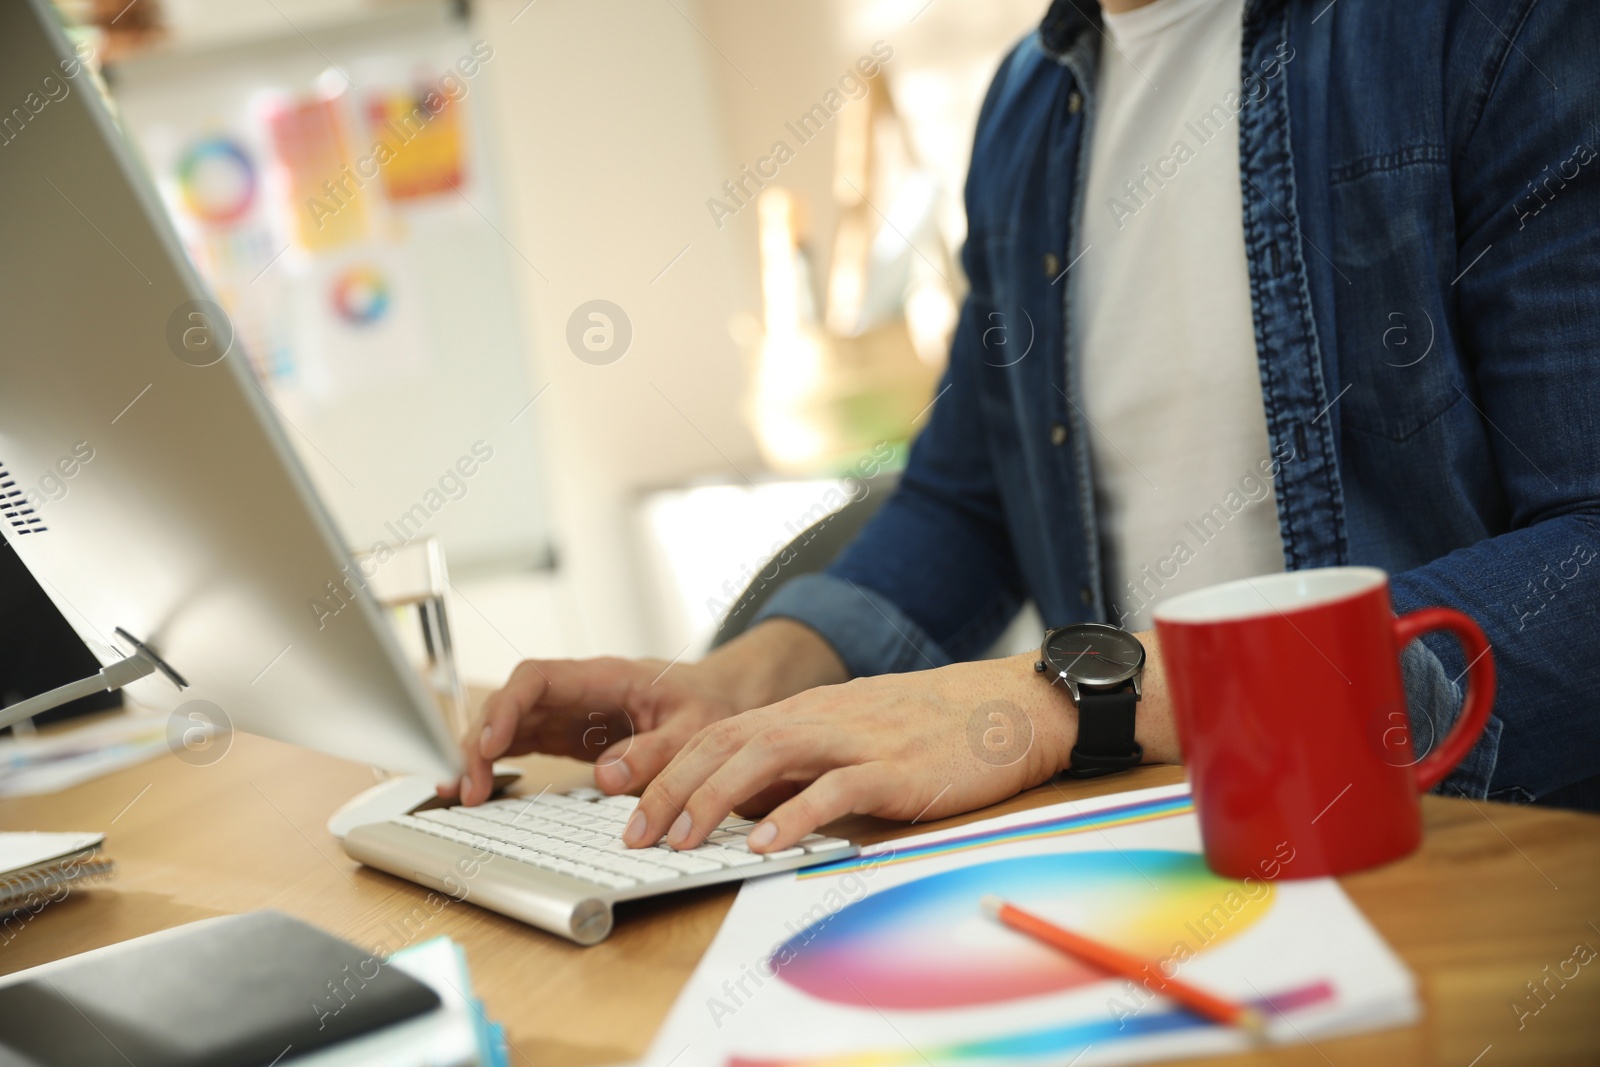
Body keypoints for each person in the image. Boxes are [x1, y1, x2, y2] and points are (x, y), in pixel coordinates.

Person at [449, 0, 1600, 849]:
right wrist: (748, 678)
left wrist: (1068, 696)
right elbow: (966, 498)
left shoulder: (1487, 26)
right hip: (1163, 860)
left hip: (1452, 853)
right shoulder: (1025, 106)